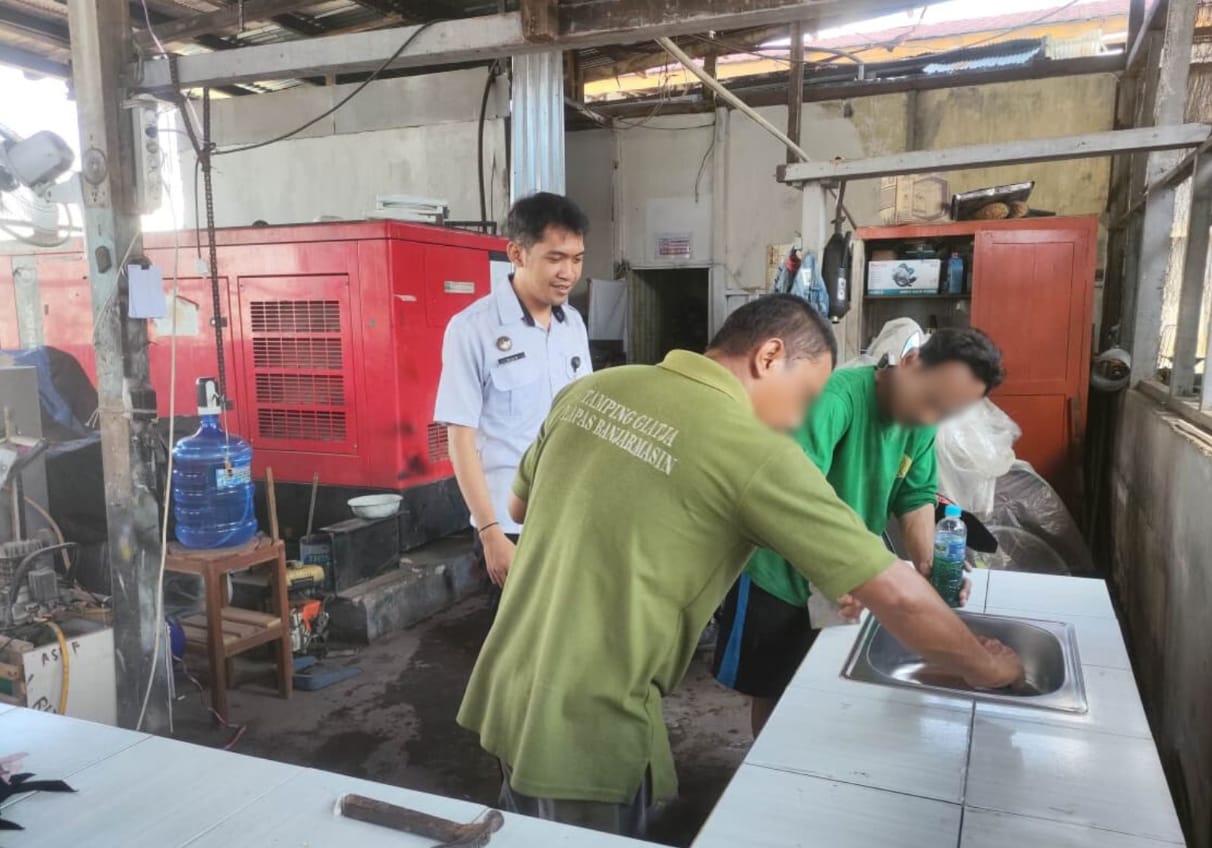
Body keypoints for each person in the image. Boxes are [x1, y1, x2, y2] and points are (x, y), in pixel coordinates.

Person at [456, 297, 1023, 838]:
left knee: (520, 831)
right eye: (804, 396)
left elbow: (519, 508)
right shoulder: (754, 451)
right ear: (769, 356)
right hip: (585, 726)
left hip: (505, 684)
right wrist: (985, 666)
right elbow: (894, 594)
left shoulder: (592, 388)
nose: (800, 417)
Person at [713, 327, 1006, 736]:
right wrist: (845, 570)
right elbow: (790, 495)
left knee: (819, 679)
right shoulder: (836, 401)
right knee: (773, 690)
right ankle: (765, 763)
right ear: (911, 362)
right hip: (777, 573)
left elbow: (915, 497)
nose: (932, 418)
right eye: (932, 400)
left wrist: (929, 565)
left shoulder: (922, 424)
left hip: (840, 573)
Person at [434, 192, 593, 593]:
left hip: (570, 516)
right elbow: (460, 440)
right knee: (513, 632)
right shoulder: (472, 329)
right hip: (510, 525)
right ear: (517, 254)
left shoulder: (573, 324)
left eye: (577, 259)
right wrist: (490, 533)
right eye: (555, 258)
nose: (569, 273)